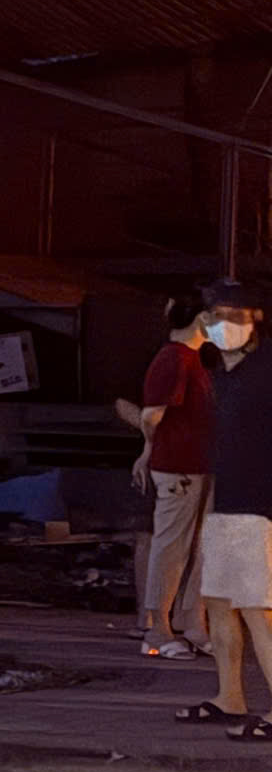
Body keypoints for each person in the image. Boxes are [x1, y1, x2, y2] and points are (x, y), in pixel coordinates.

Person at [177, 281, 272, 738]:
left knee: (259, 611)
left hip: (259, 510)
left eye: (237, 315)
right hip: (229, 505)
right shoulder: (224, 374)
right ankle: (230, 697)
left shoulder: (266, 368)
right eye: (217, 315)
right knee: (218, 603)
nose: (225, 325)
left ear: (256, 320)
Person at [121, 290, 216, 659]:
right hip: (178, 467)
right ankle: (158, 629)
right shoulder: (174, 358)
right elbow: (151, 415)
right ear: (202, 318)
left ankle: (192, 622)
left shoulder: (193, 359)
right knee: (171, 548)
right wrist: (151, 449)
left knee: (198, 547)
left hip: (199, 465)